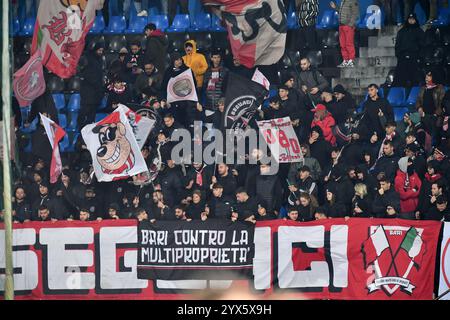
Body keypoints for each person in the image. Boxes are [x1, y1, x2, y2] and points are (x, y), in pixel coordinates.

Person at [78, 42, 105, 129]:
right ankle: (81, 129)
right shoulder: (87, 58)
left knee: (92, 115)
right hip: (87, 91)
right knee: (84, 111)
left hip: (96, 92)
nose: (100, 52)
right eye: (99, 50)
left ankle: (88, 131)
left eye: (102, 50)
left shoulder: (100, 60)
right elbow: (84, 73)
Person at [394, 13, 424, 87]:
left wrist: (419, 56)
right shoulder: (401, 32)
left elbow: (422, 45)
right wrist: (399, 55)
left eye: (412, 19)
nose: (411, 21)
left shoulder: (419, 31)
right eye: (410, 19)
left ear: (415, 20)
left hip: (414, 58)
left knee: (415, 78)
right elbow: (397, 45)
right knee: (400, 78)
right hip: (403, 58)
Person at [330, 0, 359, 67]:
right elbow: (341, 12)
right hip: (341, 26)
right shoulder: (343, 1)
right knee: (342, 44)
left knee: (349, 43)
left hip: (348, 26)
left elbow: (355, 14)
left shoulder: (353, 1)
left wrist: (350, 24)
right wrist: (335, 7)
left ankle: (351, 60)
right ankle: (345, 60)